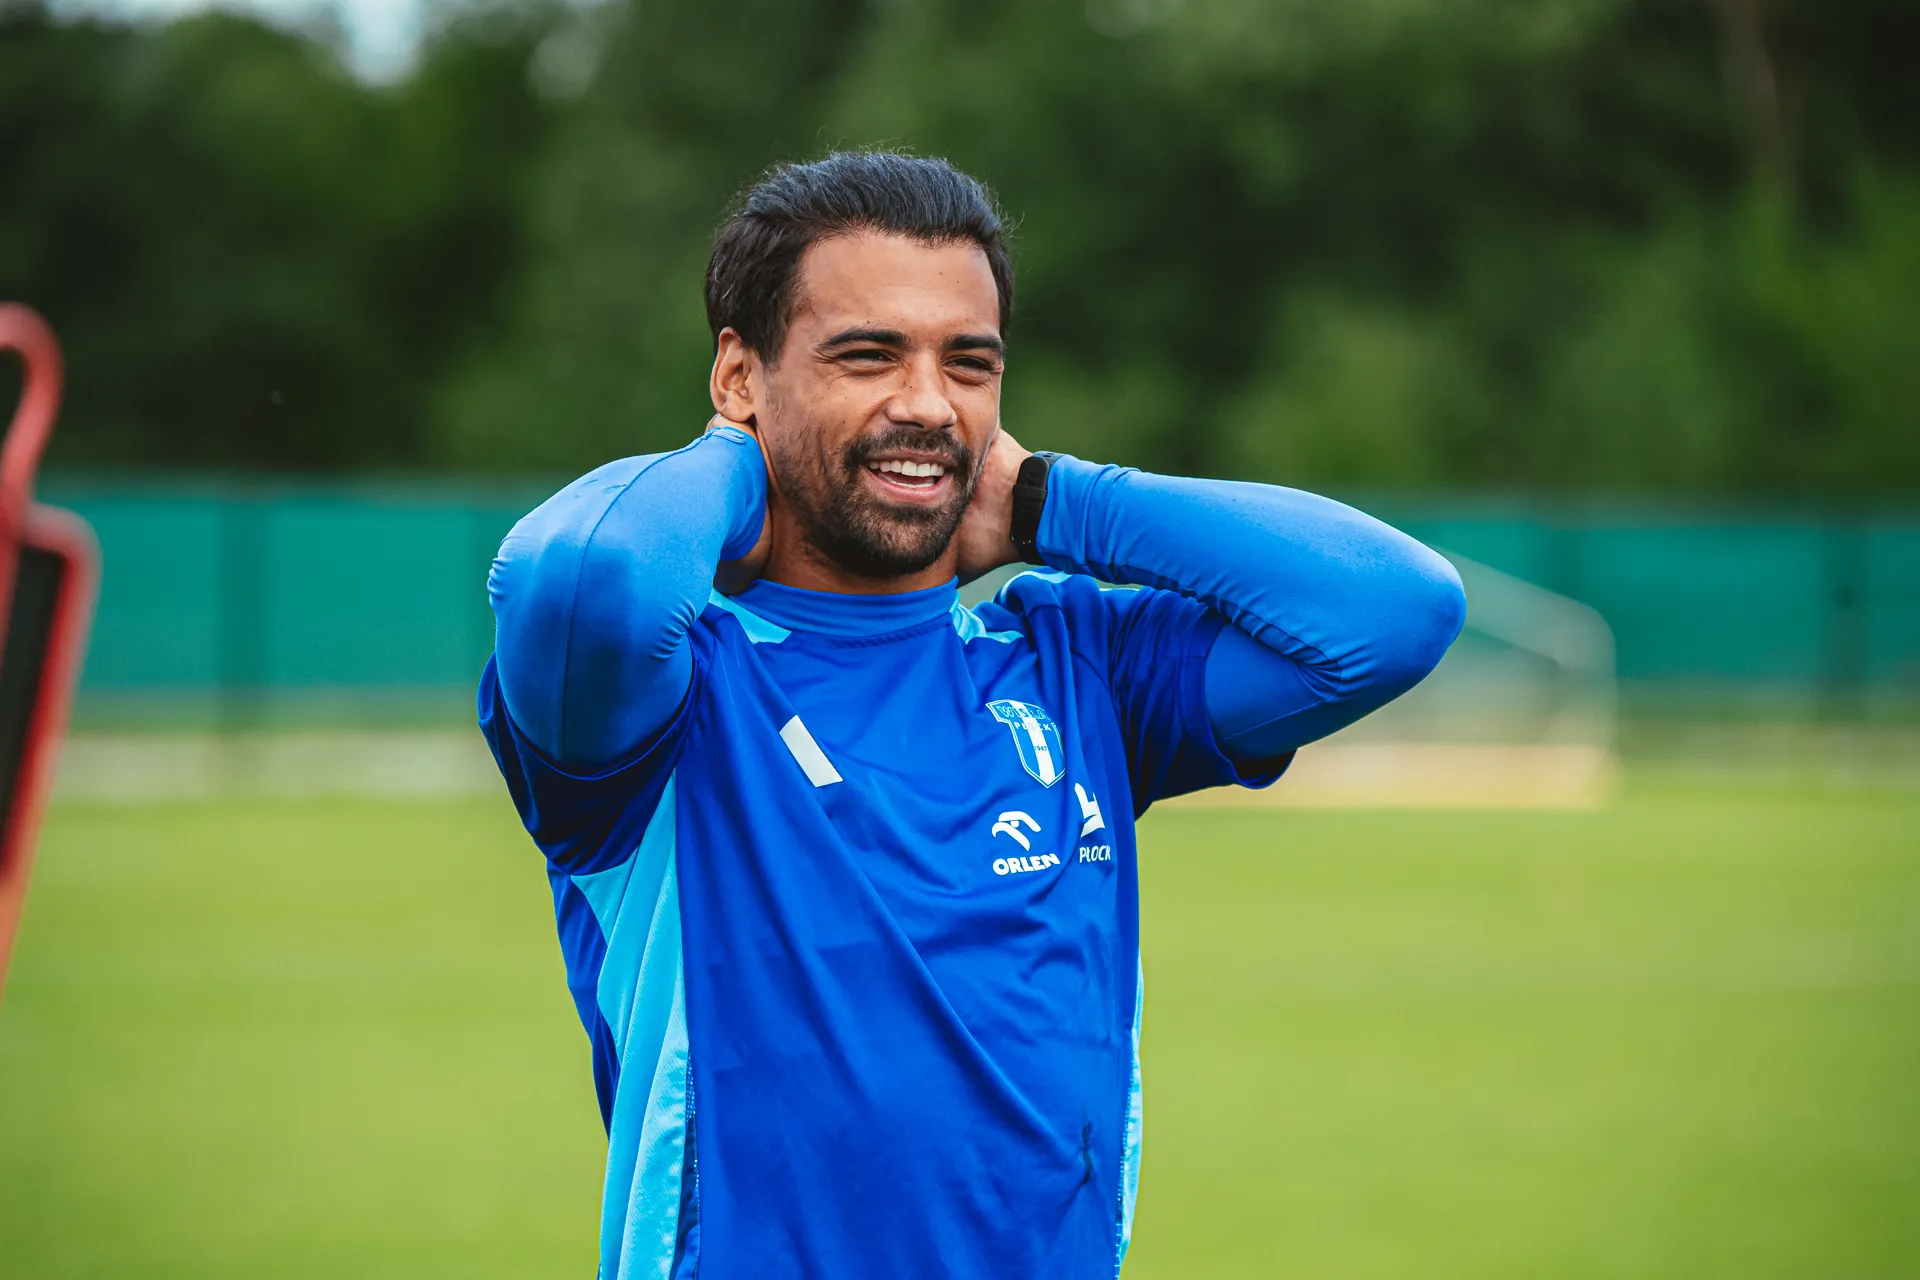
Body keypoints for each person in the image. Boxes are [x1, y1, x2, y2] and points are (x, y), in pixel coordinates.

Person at [481, 151, 1465, 1280]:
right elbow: (588, 574)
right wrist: (736, 468)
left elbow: (1394, 612)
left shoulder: (1074, 664)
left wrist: (1054, 501)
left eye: (969, 363)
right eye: (868, 355)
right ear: (740, 374)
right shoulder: (669, 693)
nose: (927, 404)